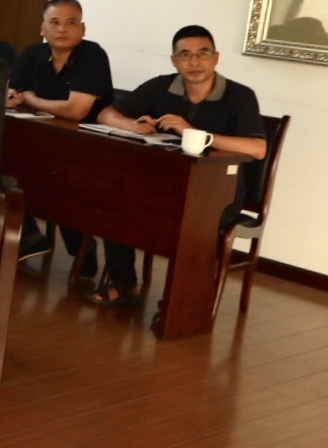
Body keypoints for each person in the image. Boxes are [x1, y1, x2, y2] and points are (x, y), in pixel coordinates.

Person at [88, 25, 267, 306]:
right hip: (163, 187)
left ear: (216, 57)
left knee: (187, 220)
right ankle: (123, 283)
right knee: (116, 202)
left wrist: (195, 134)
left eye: (202, 53)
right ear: (174, 60)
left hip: (217, 197)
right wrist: (131, 125)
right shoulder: (160, 87)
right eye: (185, 54)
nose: (194, 62)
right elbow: (105, 114)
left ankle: (177, 304)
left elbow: (257, 149)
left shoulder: (240, 96)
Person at [7, 0, 114, 270]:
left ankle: (81, 252)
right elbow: (10, 91)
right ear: (42, 28)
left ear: (83, 29)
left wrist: (31, 100)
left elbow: (76, 110)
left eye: (71, 23)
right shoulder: (32, 54)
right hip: (41, 142)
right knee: (0, 164)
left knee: (58, 181)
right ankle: (30, 236)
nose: (62, 29)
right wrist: (11, 97)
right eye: (54, 22)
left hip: (87, 148)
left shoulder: (92, 56)